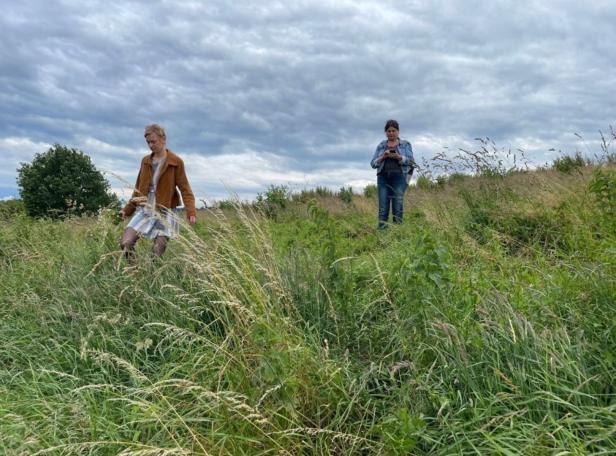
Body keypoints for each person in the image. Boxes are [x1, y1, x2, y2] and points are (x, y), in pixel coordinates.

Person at [119, 124, 196, 258]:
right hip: (145, 210)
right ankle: (133, 272)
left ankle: (151, 276)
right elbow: (138, 189)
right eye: (148, 142)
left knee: (157, 252)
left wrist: (191, 211)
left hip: (166, 211)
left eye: (153, 141)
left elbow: (185, 189)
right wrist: (127, 210)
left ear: (163, 139)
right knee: (126, 243)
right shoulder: (145, 161)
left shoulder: (176, 162)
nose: (150, 145)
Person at [370, 119, 414, 229]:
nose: (391, 133)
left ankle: (397, 233)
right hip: (383, 178)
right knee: (383, 207)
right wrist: (383, 157)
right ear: (386, 132)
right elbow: (373, 163)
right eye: (389, 131)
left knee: (397, 205)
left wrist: (399, 157)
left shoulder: (405, 145)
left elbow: (411, 161)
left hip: (399, 177)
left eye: (393, 131)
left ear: (398, 131)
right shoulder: (381, 146)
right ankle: (382, 233)